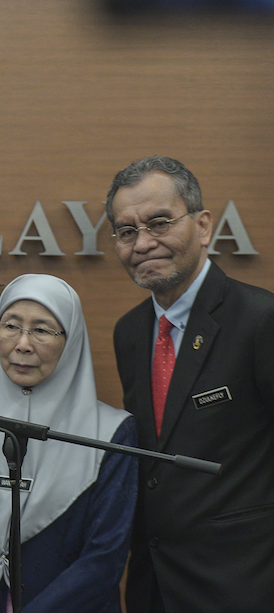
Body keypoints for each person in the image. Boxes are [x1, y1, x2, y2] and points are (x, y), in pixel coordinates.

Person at [106, 156, 274, 613]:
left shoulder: (260, 320)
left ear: (202, 226)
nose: (143, 243)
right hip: (155, 586)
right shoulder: (129, 332)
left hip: (247, 584)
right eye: (126, 231)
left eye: (159, 223)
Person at [0, 274, 136, 613]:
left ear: (71, 342)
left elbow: (104, 559)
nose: (22, 344)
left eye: (41, 330)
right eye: (10, 326)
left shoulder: (111, 434)